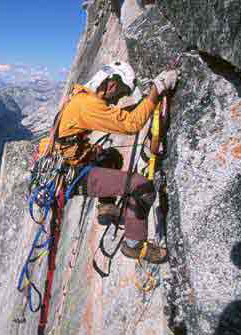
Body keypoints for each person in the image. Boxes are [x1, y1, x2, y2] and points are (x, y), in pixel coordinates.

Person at [40, 61, 177, 263]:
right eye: (120, 92)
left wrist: (147, 100)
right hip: (70, 175)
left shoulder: (81, 96)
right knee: (141, 187)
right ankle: (134, 246)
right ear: (111, 84)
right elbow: (131, 124)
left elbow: (117, 116)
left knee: (111, 156)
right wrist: (157, 90)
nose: (119, 98)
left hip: (66, 163)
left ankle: (107, 207)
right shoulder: (88, 105)